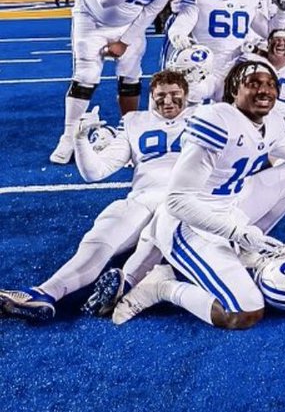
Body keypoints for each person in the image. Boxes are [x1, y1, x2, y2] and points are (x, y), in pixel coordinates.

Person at [110, 60, 285, 329]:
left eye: (270, 84)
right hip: (188, 222)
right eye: (253, 84)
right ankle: (162, 286)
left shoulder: (272, 122)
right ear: (234, 90)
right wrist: (237, 232)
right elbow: (177, 201)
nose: (264, 91)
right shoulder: (217, 119)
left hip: (229, 206)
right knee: (244, 313)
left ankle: (242, 251)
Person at [0, 71, 193, 320]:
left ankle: (129, 286)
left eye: (175, 95)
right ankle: (44, 294)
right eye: (161, 96)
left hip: (188, 202)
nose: (167, 101)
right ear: (151, 97)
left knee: (156, 237)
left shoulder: (206, 118)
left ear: (187, 95)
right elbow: (96, 172)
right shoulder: (135, 121)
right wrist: (80, 139)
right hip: (144, 197)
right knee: (103, 235)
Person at [55, 0, 201, 165]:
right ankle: (69, 136)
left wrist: (124, 42)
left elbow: (153, 9)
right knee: (87, 74)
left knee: (131, 74)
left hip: (129, 21)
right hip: (92, 17)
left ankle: (130, 133)